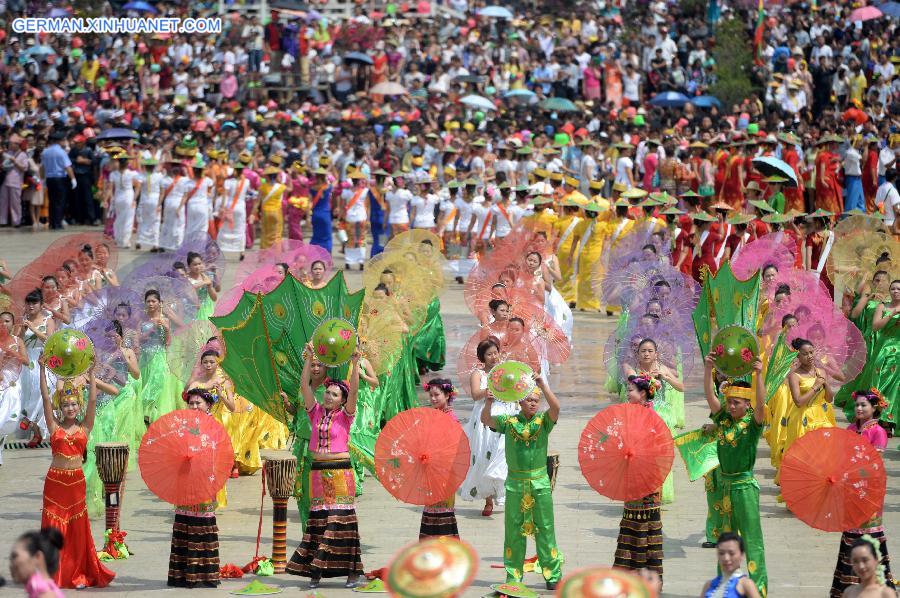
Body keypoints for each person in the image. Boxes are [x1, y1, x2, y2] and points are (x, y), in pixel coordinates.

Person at [286, 348, 364, 589]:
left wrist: (355, 363)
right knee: (318, 519)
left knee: (340, 521)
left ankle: (352, 571)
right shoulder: (316, 412)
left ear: (342, 399)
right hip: (317, 471)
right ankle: (316, 570)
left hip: (340, 471)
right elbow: (304, 386)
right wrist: (309, 359)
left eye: (334, 394)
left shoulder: (346, 416)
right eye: (327, 393)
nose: (328, 397)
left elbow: (355, 390)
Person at [37, 360, 115, 589]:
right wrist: (42, 369)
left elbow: (92, 399)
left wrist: (91, 374)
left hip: (76, 483)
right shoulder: (54, 427)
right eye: (66, 405)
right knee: (53, 528)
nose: (70, 408)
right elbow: (44, 398)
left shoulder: (85, 427)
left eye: (73, 404)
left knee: (77, 530)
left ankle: (78, 571)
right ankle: (53, 573)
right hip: (55, 484)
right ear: (60, 407)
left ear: (78, 406)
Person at [481, 374, 563, 590]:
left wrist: (544, 385)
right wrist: (489, 402)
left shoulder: (543, 422)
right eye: (529, 400)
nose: (534, 403)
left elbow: (556, 408)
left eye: (536, 400)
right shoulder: (509, 422)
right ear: (520, 401)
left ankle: (552, 573)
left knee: (545, 528)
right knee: (514, 530)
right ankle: (513, 574)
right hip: (515, 484)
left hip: (539, 483)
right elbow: (486, 420)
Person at [702, 354, 768, 597]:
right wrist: (709, 369)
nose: (730, 406)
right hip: (724, 488)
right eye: (729, 402)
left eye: (736, 403)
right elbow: (710, 397)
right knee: (725, 542)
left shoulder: (753, 424)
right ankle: (725, 588)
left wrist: (758, 375)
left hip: (744, 488)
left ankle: (758, 590)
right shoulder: (723, 420)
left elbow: (761, 405)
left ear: (747, 405)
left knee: (751, 541)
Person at [831, 390, 895, 596]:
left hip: (870, 491)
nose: (859, 408)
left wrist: (849, 471)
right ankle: (847, 589)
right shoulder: (850, 429)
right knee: (850, 532)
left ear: (874, 408)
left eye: (863, 405)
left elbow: (873, 465)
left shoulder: (878, 432)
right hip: (850, 490)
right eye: (857, 405)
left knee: (869, 534)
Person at [167, 387, 232, 588]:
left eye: (198, 403)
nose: (194, 406)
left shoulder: (214, 426)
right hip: (184, 480)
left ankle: (204, 575)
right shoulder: (182, 425)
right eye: (191, 403)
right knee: (184, 523)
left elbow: (220, 457)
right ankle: (181, 575)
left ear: (208, 405)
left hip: (205, 480)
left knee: (202, 524)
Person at [458, 338, 518, 516]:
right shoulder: (478, 374)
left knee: (503, 455)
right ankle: (488, 500)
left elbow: (515, 389)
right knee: (484, 455)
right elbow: (476, 395)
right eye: (489, 354)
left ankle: (504, 494)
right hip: (485, 416)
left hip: (505, 415)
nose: (493, 357)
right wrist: (488, 391)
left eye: (495, 352)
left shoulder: (505, 370)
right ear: (482, 357)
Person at [614, 374, 665, 579]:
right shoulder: (630, 414)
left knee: (646, 523)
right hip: (631, 475)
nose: (627, 394)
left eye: (630, 391)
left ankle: (647, 576)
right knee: (630, 520)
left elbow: (658, 448)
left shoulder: (652, 417)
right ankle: (630, 575)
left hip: (647, 477)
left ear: (643, 393)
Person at [419, 378, 461, 540]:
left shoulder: (450, 418)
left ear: (447, 395)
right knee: (432, 510)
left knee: (442, 511)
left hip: (444, 472)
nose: (433, 399)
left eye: (437, 395)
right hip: (431, 471)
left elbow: (453, 448)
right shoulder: (434, 415)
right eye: (431, 396)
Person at [783, 337, 836, 457]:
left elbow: (829, 399)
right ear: (798, 356)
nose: (810, 356)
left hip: (821, 416)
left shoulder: (821, 372)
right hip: (803, 417)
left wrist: (825, 383)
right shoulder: (795, 376)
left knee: (823, 454)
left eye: (811, 352)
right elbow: (798, 402)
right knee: (804, 454)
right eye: (805, 354)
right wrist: (816, 386)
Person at [18, 290, 56, 447]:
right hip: (28, 362)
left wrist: (33, 328)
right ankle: (36, 433)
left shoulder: (48, 320)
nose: (31, 306)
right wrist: (21, 327)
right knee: (28, 394)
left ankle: (30, 419)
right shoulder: (23, 320)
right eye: (28, 303)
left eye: (34, 303)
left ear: (41, 305)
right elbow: (18, 341)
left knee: (44, 394)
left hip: (43, 359)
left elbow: (50, 340)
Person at [0, 311, 27, 466]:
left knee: (8, 418)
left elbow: (26, 360)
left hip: (13, 384)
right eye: (1, 321)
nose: (4, 324)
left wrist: (12, 352)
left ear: (13, 323)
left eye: (7, 321)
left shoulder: (17, 341)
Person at [700, 532, 762, 598]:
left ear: (742, 555)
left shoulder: (746, 585)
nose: (726, 558)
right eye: (721, 553)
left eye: (731, 553)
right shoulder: (708, 585)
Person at [8, 528, 65, 598]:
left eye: (15, 556)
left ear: (37, 557)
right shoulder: (42, 590)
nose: (11, 564)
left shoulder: (45, 595)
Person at [39, 131, 76, 230]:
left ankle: (52, 223)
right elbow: (68, 167)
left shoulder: (45, 152)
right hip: (60, 179)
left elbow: (41, 167)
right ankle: (57, 223)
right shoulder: (61, 152)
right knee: (60, 202)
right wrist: (73, 179)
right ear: (60, 141)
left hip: (49, 179)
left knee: (52, 201)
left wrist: (42, 179)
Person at [107, 153, 141, 249]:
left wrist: (111, 199)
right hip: (128, 196)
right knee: (128, 220)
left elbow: (110, 189)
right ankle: (125, 241)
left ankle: (118, 240)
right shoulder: (132, 173)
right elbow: (138, 186)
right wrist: (135, 198)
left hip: (118, 197)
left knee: (118, 219)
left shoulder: (113, 174)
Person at [135, 158, 164, 252]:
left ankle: (139, 241)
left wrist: (134, 199)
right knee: (155, 222)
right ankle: (155, 243)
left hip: (144, 200)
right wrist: (160, 204)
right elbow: (162, 191)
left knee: (142, 220)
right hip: (155, 200)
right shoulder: (160, 176)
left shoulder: (141, 176)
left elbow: (138, 188)